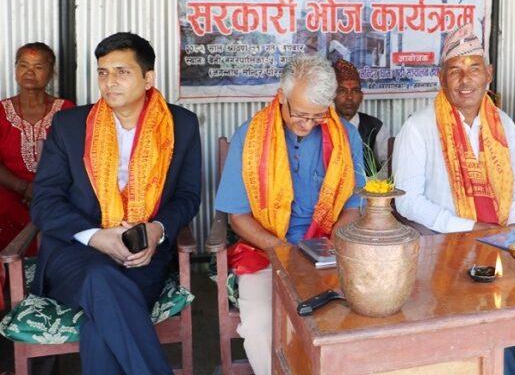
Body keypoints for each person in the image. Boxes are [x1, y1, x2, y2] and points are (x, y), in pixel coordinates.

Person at [29, 32, 201, 374]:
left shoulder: (179, 125)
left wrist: (156, 229)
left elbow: (188, 195)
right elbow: (45, 201)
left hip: (142, 253)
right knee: (101, 276)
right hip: (74, 253)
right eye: (103, 72)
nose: (110, 82)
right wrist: (96, 236)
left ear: (148, 79)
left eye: (122, 72)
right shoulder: (70, 125)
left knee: (99, 331)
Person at [394, 24, 515, 375]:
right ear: (441, 78)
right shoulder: (419, 127)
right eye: (455, 70)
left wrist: (512, 228)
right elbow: (406, 201)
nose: (465, 80)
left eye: (474, 68)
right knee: (481, 327)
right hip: (442, 249)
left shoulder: (505, 125)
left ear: (488, 74)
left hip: (502, 243)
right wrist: (470, 228)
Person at [215, 54, 365, 375]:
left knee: (350, 321)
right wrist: (284, 252)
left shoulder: (345, 137)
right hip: (266, 253)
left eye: (317, 116)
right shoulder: (250, 137)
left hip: (327, 252)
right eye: (300, 115)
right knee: (260, 326)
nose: (307, 124)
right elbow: (237, 217)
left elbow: (353, 207)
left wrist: (329, 246)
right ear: (282, 96)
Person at [0, 43, 74, 308]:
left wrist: (44, 191)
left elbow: (76, 160)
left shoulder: (67, 111)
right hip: (9, 195)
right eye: (23, 65)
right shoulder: (1, 112)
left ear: (51, 72)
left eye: (38, 66)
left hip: (56, 195)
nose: (29, 72)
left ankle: (51, 297)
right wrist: (24, 188)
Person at [333, 58, 391, 176]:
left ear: (361, 96)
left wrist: (372, 183)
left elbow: (389, 166)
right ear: (332, 95)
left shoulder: (375, 127)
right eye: (342, 90)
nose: (349, 97)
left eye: (355, 91)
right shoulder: (322, 126)